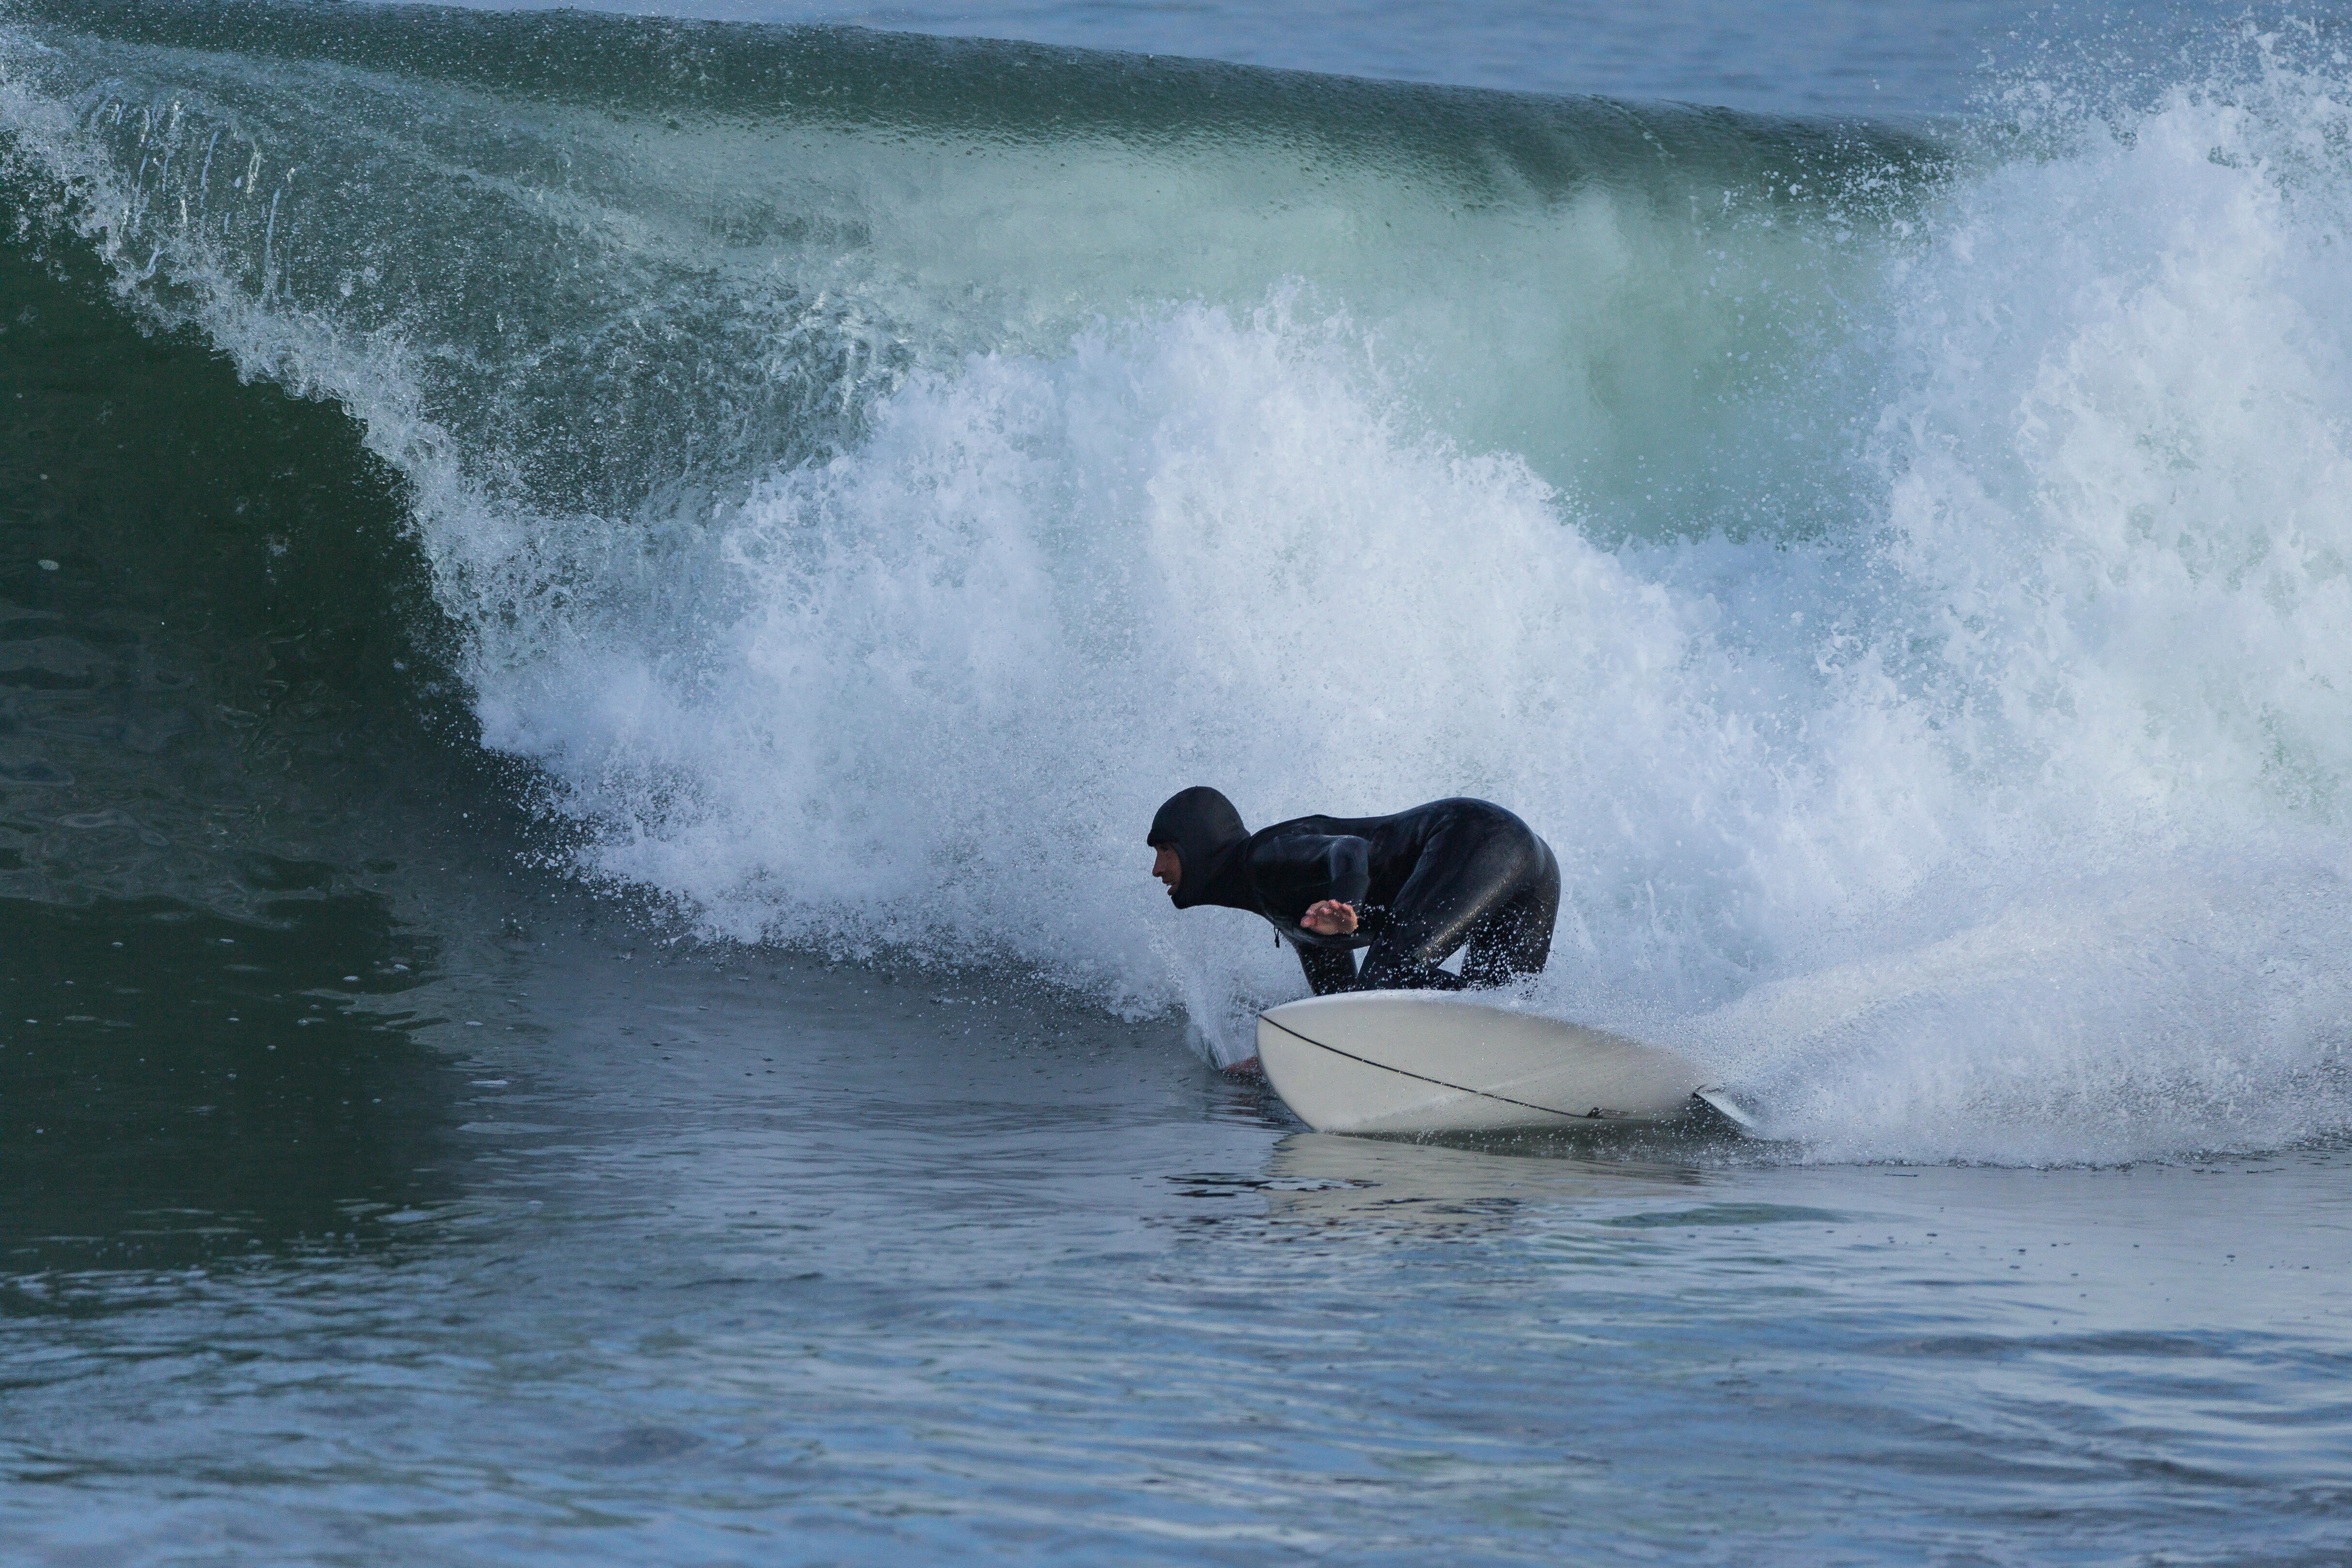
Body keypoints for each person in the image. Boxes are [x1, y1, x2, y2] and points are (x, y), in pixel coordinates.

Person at [1147, 786, 1560, 1006]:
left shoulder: (1264, 856)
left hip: (1478, 838)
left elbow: (1349, 849)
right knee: (1500, 1011)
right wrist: (1281, 1065)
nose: (1157, 869)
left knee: (1387, 974)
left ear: (1197, 845)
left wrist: (1347, 904)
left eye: (1165, 851)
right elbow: (1347, 1015)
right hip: (1525, 861)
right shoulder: (1295, 915)